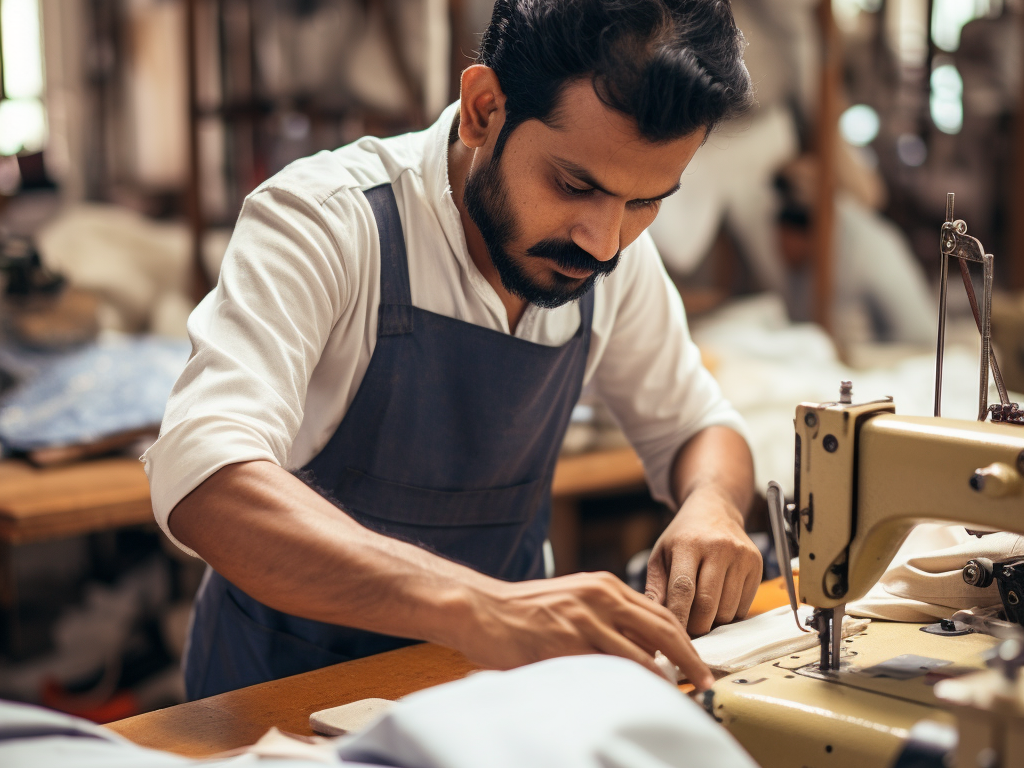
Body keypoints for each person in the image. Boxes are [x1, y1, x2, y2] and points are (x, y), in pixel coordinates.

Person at [144, 0, 763, 700]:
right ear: (483, 109)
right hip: (277, 703)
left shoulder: (612, 256)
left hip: (486, 700)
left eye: (647, 200)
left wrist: (712, 504)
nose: (603, 242)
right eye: (574, 184)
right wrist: (485, 607)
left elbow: (697, 425)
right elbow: (204, 476)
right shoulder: (327, 223)